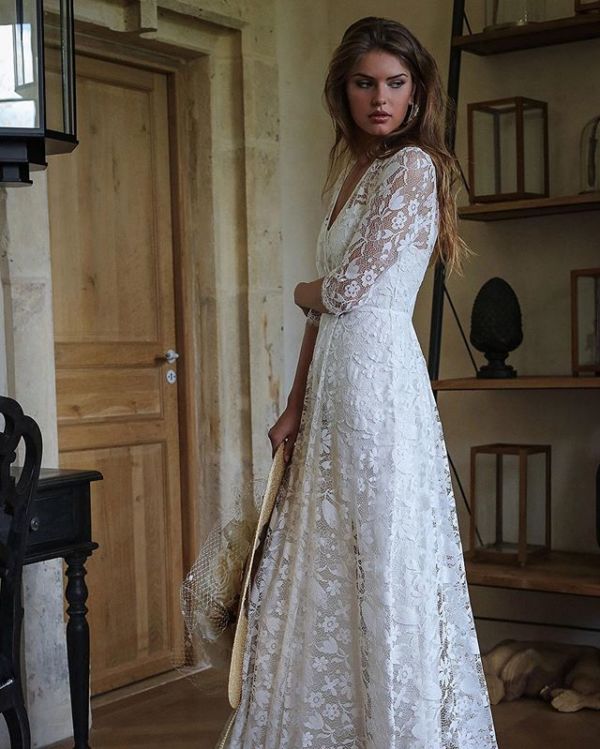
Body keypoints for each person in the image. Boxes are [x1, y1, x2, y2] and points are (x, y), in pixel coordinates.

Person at [218, 16, 498, 748]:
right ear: (342, 91)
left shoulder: (414, 167)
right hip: (332, 385)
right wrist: (293, 403)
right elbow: (327, 312)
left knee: (381, 549)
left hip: (378, 386)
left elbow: (344, 291)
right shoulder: (355, 172)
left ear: (416, 92)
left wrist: (301, 289)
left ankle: (397, 727)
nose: (381, 99)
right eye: (365, 83)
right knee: (329, 554)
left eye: (395, 84)